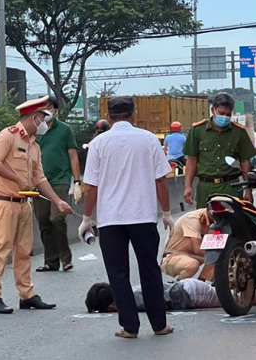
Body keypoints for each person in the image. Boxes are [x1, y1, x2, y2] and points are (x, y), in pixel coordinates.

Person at [79, 97, 175, 339]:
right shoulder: (149, 139)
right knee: (150, 269)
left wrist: (86, 218)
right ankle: (159, 324)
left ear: (109, 117)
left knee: (118, 273)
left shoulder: (98, 144)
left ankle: (130, 327)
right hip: (143, 217)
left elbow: (90, 186)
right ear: (134, 115)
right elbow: (161, 180)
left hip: (111, 220)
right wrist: (167, 213)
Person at [0, 95, 73, 314]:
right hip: (4, 202)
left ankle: (27, 294)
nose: (44, 122)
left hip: (24, 204)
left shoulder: (34, 145)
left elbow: (40, 178)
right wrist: (17, 179)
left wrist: (58, 201)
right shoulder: (8, 136)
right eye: (43, 117)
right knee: (0, 250)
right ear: (34, 117)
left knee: (24, 252)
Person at [183, 93, 256, 208]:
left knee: (234, 223)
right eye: (221, 113)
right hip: (206, 188)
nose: (225, 117)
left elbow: (245, 162)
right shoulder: (198, 130)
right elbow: (192, 159)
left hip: (232, 187)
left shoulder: (238, 132)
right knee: (205, 223)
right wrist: (188, 186)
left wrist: (248, 190)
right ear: (213, 110)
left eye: (228, 114)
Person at [33, 96, 81, 273]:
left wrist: (76, 182)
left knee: (57, 217)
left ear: (55, 110)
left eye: (49, 108)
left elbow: (73, 155)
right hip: (37, 181)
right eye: (42, 108)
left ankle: (65, 259)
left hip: (59, 179)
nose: (46, 111)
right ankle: (50, 261)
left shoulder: (64, 130)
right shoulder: (35, 130)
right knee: (44, 221)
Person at [85, 279, 256, 313]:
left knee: (235, 300)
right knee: (228, 295)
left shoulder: (133, 300)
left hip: (192, 294)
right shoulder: (131, 291)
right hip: (188, 288)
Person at [160, 208, 214, 281]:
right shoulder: (193, 219)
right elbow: (197, 250)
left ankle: (200, 283)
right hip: (172, 257)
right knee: (193, 264)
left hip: (190, 255)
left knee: (216, 257)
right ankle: (179, 287)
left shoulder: (212, 221)